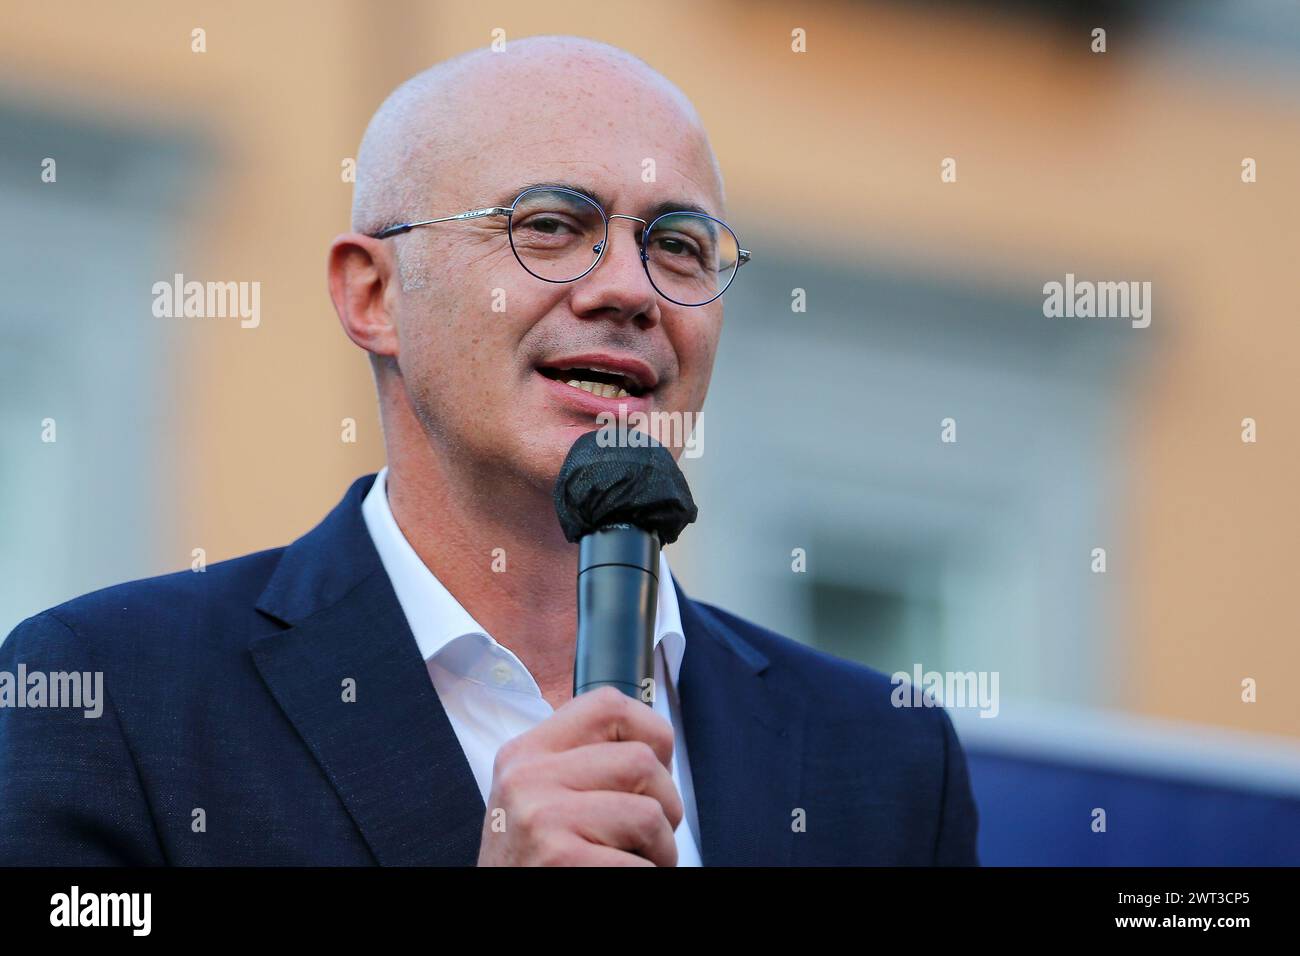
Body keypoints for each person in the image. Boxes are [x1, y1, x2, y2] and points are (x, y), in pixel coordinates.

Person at [0, 35, 978, 866]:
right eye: (552, 226)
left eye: (679, 244)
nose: (630, 288)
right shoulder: (114, 699)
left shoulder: (883, 755)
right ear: (373, 294)